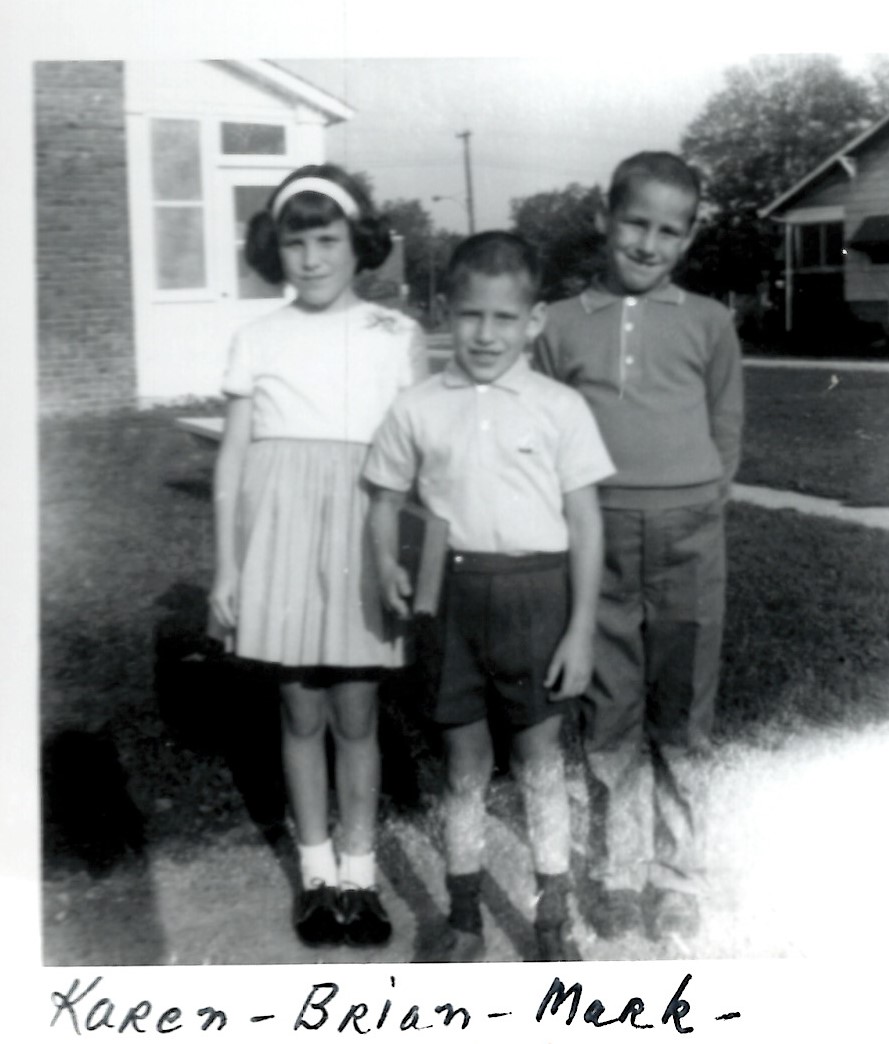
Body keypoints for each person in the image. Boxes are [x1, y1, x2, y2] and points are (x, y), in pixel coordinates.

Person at [365, 232, 614, 961]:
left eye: (505, 318)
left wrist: (580, 629)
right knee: (464, 764)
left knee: (540, 760)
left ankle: (551, 917)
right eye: (471, 314)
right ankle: (465, 917)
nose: (485, 333)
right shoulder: (417, 406)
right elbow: (384, 499)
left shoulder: (559, 406)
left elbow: (586, 522)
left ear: (533, 321)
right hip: (451, 599)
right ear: (446, 311)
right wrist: (384, 564)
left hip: (538, 596)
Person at [208, 163, 429, 948]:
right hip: (279, 536)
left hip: (362, 530)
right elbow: (232, 461)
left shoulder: (395, 335)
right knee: (300, 708)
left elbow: (419, 449)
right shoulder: (256, 337)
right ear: (275, 249)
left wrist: (411, 553)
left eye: (327, 240)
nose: (311, 259)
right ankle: (315, 876)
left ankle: (360, 879)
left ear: (356, 242)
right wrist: (228, 567)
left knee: (357, 711)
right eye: (295, 243)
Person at [533, 151, 744, 941]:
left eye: (668, 231)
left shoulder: (709, 320)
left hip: (689, 534)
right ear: (604, 219)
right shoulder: (560, 323)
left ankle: (678, 875)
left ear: (687, 238)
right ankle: (619, 870)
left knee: (682, 711)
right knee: (610, 706)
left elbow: (725, 422)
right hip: (599, 537)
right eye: (635, 224)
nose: (649, 244)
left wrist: (707, 495)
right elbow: (543, 429)